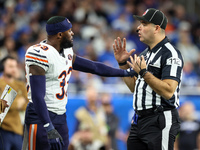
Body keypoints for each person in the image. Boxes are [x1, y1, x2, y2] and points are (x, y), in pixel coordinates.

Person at [23, 16, 135, 150]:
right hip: (40, 117)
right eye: (69, 31)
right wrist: (48, 126)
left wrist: (125, 72)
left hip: (60, 115)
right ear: (59, 35)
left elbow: (94, 67)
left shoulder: (66, 52)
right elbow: (37, 96)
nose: (73, 33)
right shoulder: (38, 53)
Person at [113, 8, 184, 150]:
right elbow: (135, 88)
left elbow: (169, 90)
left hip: (160, 118)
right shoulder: (145, 53)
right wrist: (122, 65)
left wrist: (145, 73)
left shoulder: (170, 53)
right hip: (139, 120)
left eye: (144, 24)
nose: (138, 27)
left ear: (157, 28)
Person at [0, 56, 28, 150]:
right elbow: (1, 108)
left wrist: (9, 102)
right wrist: (17, 102)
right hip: (3, 130)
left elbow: (27, 104)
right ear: (3, 67)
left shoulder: (20, 85)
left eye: (15, 66)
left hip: (18, 131)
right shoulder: (0, 83)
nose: (14, 69)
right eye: (10, 66)